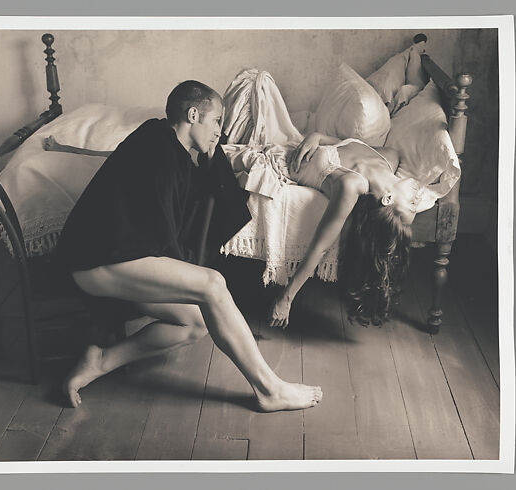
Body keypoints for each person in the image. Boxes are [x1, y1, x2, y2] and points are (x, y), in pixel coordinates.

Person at [52, 80, 323, 412]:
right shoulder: (155, 145)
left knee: (194, 323)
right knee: (212, 285)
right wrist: (191, 276)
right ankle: (269, 389)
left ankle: (101, 361)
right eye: (216, 121)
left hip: (123, 256)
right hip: (95, 262)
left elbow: (214, 202)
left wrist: (211, 159)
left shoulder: (174, 149)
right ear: (193, 114)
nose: (219, 132)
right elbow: (161, 228)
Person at [267, 132, 421, 328]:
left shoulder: (353, 184)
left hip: (279, 158)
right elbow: (341, 144)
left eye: (412, 204)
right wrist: (317, 137)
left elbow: (320, 247)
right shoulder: (390, 157)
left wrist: (286, 298)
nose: (418, 197)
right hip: (295, 140)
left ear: (388, 199)